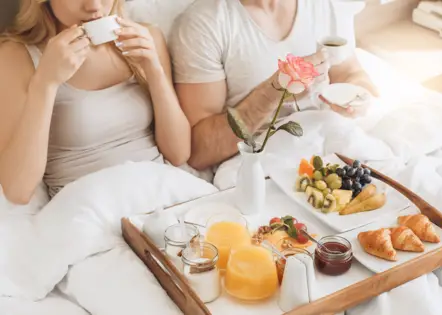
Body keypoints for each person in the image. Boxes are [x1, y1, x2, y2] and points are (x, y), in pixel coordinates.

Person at [0, 0, 191, 204]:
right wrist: (45, 83)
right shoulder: (16, 57)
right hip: (89, 205)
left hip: (160, 193)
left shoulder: (146, 38)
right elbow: (17, 190)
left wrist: (154, 71)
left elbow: (179, 154)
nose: (93, 6)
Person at [169, 0, 379, 172]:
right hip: (261, 160)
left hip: (331, 142)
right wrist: (272, 93)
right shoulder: (205, 24)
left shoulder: (326, 4)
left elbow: (351, 73)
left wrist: (356, 96)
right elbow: (200, 151)